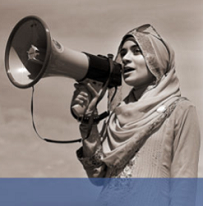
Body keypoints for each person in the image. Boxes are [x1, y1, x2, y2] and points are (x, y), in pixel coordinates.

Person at [71, 24, 200, 206]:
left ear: (158, 58)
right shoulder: (117, 116)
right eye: (123, 53)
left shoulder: (181, 110)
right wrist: (87, 121)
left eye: (136, 51)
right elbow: (97, 175)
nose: (125, 59)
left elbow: (184, 187)